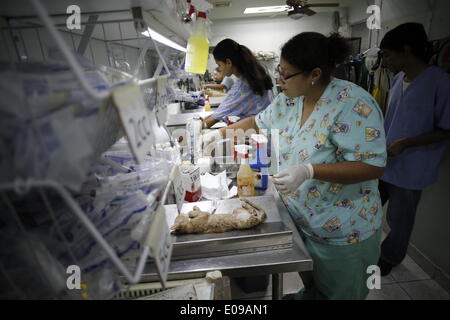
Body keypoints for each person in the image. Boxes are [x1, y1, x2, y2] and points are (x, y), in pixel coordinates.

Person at [203, 32, 387, 300]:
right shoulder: (290, 99)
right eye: (279, 70)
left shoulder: (353, 104)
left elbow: (372, 166)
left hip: (344, 231)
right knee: (315, 289)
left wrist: (310, 171)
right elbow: (258, 121)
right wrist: (220, 133)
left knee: (340, 294)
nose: (279, 78)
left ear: (314, 74)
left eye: (286, 74)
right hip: (302, 222)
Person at [377, 23, 450, 276]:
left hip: (413, 168)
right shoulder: (398, 79)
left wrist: (406, 143)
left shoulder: (440, 82)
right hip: (387, 161)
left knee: (399, 220)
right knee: (369, 206)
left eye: (387, 54)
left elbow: (446, 129)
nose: (384, 61)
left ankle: (390, 258)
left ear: (406, 50)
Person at [202, 39, 274, 129]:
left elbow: (213, 119)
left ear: (228, 62)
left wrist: (196, 128)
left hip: (258, 135)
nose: (220, 69)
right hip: (270, 130)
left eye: (219, 65)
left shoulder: (242, 87)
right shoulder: (261, 72)